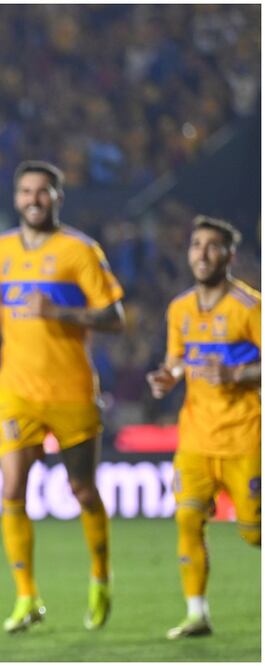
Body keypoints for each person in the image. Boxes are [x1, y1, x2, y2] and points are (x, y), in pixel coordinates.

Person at [0, 161, 125, 633]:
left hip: (71, 391)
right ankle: (26, 598)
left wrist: (60, 312)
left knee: (82, 490)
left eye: (43, 192)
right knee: (12, 488)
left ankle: (100, 579)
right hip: (16, 392)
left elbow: (114, 316)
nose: (34, 199)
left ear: (58, 198)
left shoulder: (79, 251)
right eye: (26, 191)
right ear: (16, 197)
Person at [145, 216, 260, 640]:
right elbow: (178, 359)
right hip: (195, 437)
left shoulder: (250, 307)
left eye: (213, 246)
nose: (202, 253)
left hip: (244, 436)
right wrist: (169, 376)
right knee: (187, 520)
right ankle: (197, 614)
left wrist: (236, 375)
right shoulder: (180, 308)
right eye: (196, 245)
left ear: (229, 255)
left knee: (253, 534)